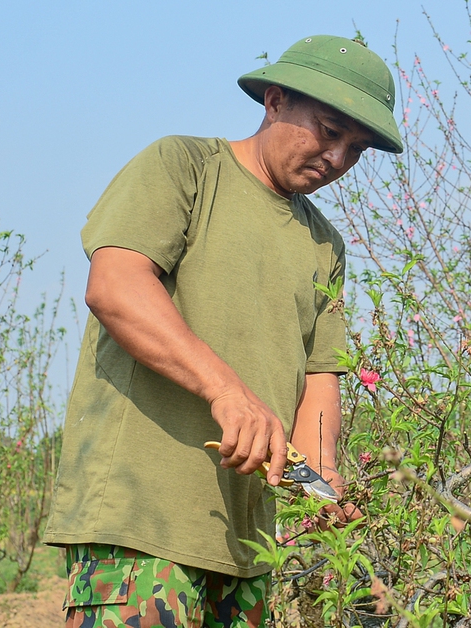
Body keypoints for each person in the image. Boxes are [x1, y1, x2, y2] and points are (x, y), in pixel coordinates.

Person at [42, 34, 403, 628]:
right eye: (331, 131)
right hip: (141, 528)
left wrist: (323, 483)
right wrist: (225, 390)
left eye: (357, 148)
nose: (338, 159)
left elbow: (319, 377)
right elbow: (115, 285)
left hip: (245, 550)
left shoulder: (324, 245)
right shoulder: (183, 167)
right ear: (276, 100)